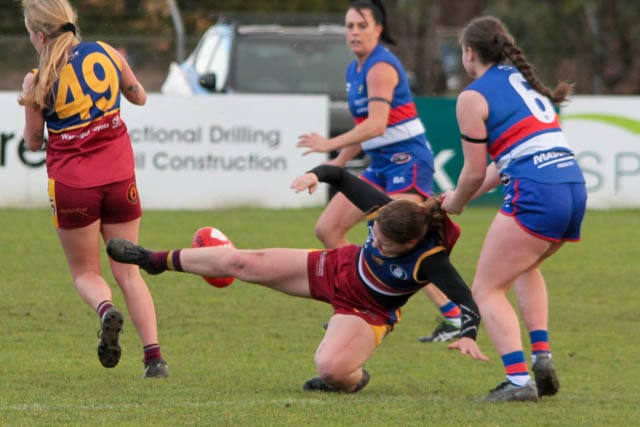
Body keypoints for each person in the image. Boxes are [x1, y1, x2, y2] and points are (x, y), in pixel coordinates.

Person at [106, 164, 489, 393]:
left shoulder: (430, 259)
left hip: (368, 310)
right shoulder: (387, 212)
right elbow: (339, 175)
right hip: (337, 267)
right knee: (244, 262)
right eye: (375, 236)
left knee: (331, 369)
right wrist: (312, 175)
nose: (376, 242)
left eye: (385, 245)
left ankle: (353, 379)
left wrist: (468, 335)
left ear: (409, 244)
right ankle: (153, 260)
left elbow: (468, 300)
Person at [18, 0, 168, 378]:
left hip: (73, 186)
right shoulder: (105, 52)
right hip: (119, 178)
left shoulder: (37, 80)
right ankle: (154, 359)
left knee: (85, 273)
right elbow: (139, 96)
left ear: (39, 35)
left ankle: (105, 310)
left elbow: (33, 142)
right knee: (129, 272)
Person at [297, 0, 461, 343]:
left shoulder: (381, 67)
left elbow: (376, 125)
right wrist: (335, 166)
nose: (354, 32)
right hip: (381, 164)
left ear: (379, 30)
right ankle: (358, 298)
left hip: (408, 161)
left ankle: (453, 316)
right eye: (349, 26)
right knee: (328, 228)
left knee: (403, 240)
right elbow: (363, 129)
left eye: (362, 26)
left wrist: (329, 144)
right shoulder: (354, 71)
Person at [441, 16, 587, 402]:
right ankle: (541, 357)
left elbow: (474, 171)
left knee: (487, 289)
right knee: (525, 266)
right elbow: (499, 165)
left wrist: (455, 202)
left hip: (538, 191)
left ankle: (519, 381)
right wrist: (460, 197)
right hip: (572, 186)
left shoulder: (472, 97)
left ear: (469, 53)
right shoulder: (521, 79)